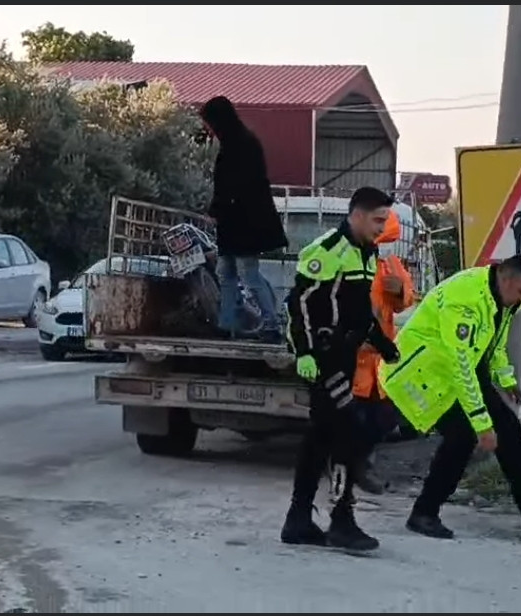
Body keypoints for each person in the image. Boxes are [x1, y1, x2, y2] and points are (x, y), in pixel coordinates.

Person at [379, 255, 521, 539]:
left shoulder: (502, 298)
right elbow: (462, 368)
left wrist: (506, 380)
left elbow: (493, 344)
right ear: (505, 279)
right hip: (421, 375)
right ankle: (424, 512)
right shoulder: (465, 300)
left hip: (451, 368)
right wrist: (482, 424)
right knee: (463, 435)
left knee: (508, 427)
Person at [280, 186, 401, 552]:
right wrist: (303, 353)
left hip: (347, 356)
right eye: (378, 219)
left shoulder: (367, 252)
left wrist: (384, 346)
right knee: (351, 431)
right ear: (357, 215)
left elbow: (360, 313)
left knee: (320, 438)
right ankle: (342, 519)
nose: (382, 227)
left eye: (385, 220)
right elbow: (297, 305)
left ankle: (298, 520)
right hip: (322, 359)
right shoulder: (328, 251)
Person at [200, 96, 287, 342]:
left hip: (243, 221)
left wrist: (217, 209)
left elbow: (235, 185)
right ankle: (229, 323)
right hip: (237, 220)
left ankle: (270, 323)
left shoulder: (239, 145)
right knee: (227, 270)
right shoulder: (240, 142)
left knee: (248, 273)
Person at [346, 210, 416, 495]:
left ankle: (358, 465)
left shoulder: (389, 264)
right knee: (354, 423)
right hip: (352, 360)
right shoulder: (347, 259)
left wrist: (400, 290)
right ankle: (353, 472)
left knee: (384, 420)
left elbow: (404, 301)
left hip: (379, 361)